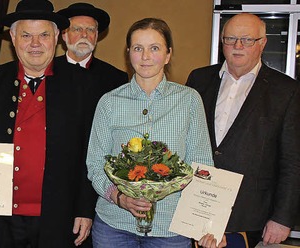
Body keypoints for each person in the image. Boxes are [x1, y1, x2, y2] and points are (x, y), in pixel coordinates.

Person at [0, 0, 104, 247]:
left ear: (57, 38)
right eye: (26, 35)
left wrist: (85, 208)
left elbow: (90, 150)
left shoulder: (81, 85)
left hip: (59, 218)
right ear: (13, 37)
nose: (35, 44)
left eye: (44, 35)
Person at [85, 18, 216, 248]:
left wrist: (206, 224)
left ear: (167, 54)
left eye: (154, 48)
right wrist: (119, 198)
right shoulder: (109, 102)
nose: (145, 56)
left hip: (171, 229)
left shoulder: (188, 100)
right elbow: (95, 164)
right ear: (129, 54)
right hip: (114, 226)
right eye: (138, 48)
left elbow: (202, 165)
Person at [186, 13, 300, 247]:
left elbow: (293, 160)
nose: (238, 46)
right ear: (222, 41)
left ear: (263, 43)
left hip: (250, 216)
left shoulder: (286, 91)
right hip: (195, 208)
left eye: (247, 40)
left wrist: (282, 218)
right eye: (231, 39)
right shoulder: (198, 79)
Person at [55, 3, 128, 90]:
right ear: (64, 35)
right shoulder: (45, 71)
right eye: (77, 29)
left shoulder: (116, 78)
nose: (84, 35)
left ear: (96, 36)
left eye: (90, 30)